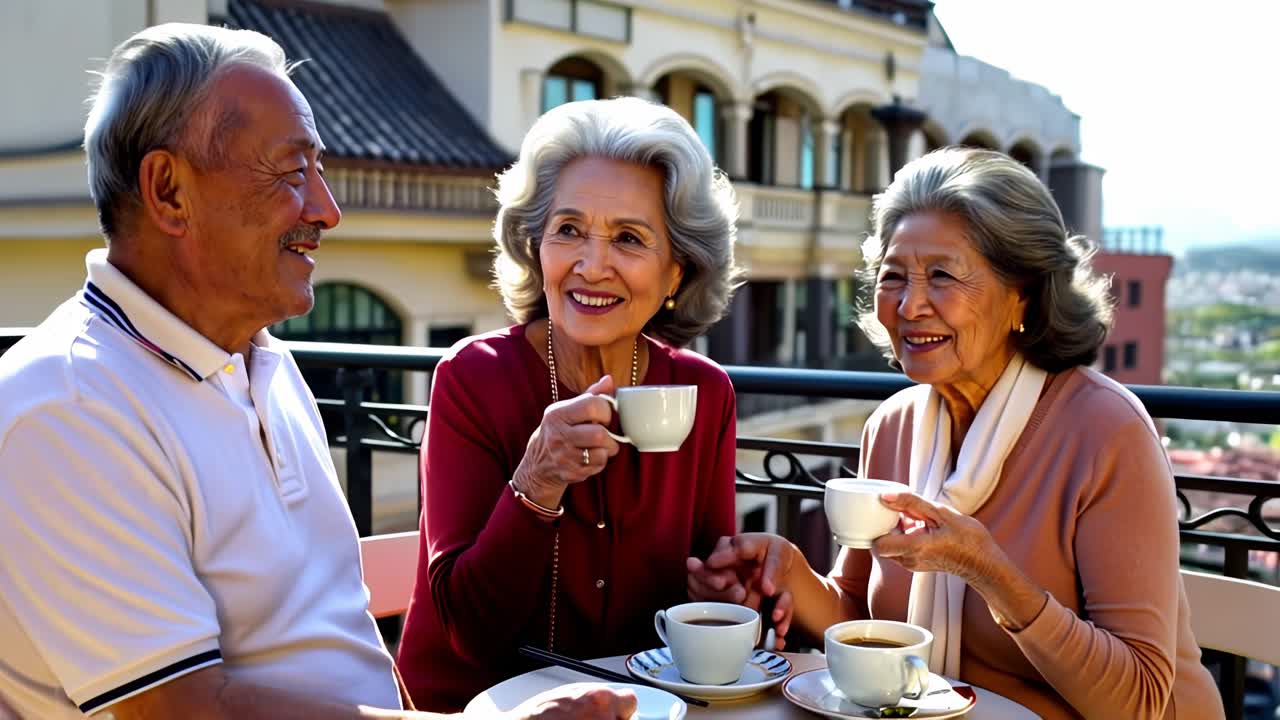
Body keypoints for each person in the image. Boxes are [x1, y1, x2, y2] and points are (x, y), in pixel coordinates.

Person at [0, 24, 635, 720]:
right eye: (292, 171)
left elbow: (343, 639)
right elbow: (183, 711)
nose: (326, 209)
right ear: (168, 191)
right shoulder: (69, 407)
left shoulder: (260, 358)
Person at [687, 148, 1225, 719]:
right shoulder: (894, 426)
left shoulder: (1106, 432)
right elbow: (862, 621)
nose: (910, 304)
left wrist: (991, 575)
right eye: (894, 277)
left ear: (1023, 293)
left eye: (942, 276)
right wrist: (787, 569)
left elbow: (1138, 702)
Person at [396, 97, 744, 711]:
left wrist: (728, 587)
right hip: (482, 708)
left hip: (645, 705)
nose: (591, 265)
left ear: (676, 274)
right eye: (569, 230)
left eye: (629, 239)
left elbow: (710, 596)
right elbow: (470, 636)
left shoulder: (705, 393)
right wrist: (537, 479)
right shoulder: (473, 379)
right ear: (536, 247)